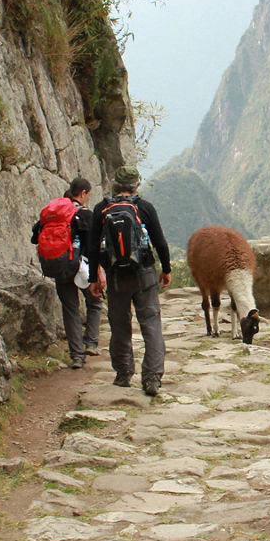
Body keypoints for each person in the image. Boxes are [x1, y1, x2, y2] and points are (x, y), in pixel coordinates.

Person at [86, 165, 171, 397]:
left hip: (115, 276)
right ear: (136, 185)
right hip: (144, 273)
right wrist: (166, 269)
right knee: (151, 323)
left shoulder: (102, 209)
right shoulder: (144, 207)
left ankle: (123, 373)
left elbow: (93, 247)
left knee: (120, 325)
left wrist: (94, 277)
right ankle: (152, 377)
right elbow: (160, 242)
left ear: (115, 184)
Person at [33, 177, 104, 369]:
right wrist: (98, 273)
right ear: (83, 193)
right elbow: (93, 247)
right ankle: (90, 343)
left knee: (70, 310)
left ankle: (77, 357)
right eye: (88, 194)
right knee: (95, 302)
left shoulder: (54, 213)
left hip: (58, 265)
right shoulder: (85, 214)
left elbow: (35, 235)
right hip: (81, 268)